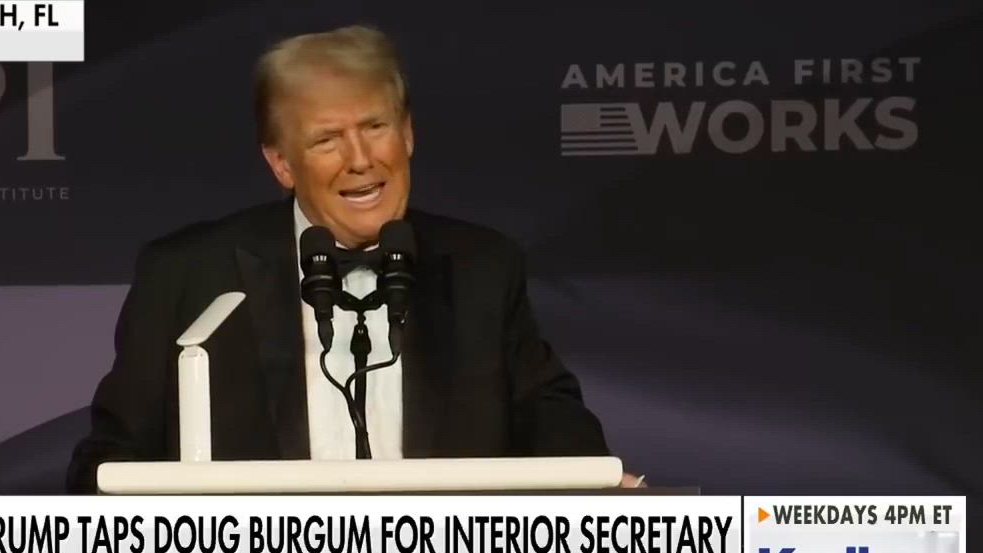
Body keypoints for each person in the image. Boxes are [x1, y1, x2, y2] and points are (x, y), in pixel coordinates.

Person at [67, 25, 639, 493]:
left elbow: (552, 421)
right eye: (327, 139)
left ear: (407, 134)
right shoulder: (189, 275)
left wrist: (596, 488)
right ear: (282, 164)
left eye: (375, 127)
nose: (361, 159)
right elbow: (110, 464)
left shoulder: (482, 268)